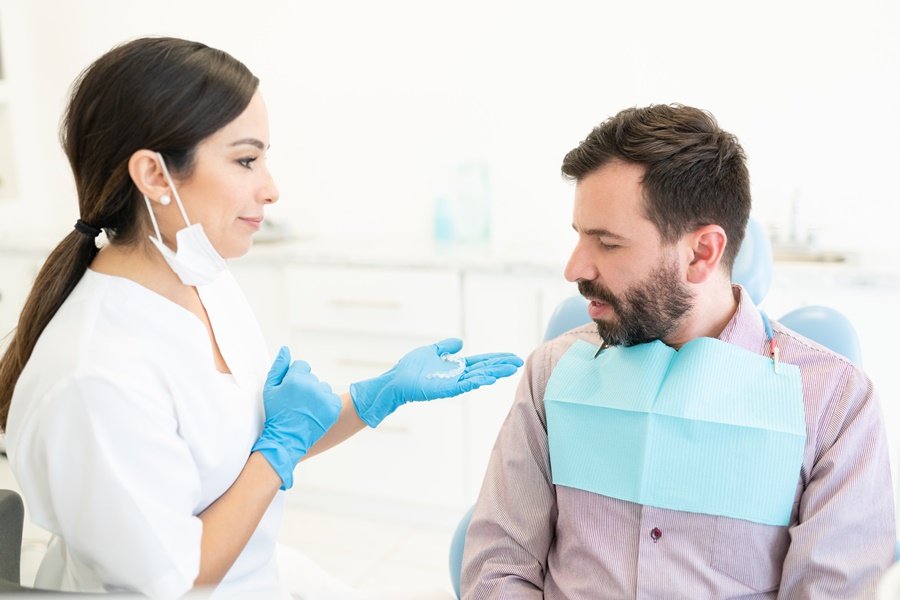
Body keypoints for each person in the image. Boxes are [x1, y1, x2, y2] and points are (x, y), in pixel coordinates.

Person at [0, 36, 523, 599]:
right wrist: (279, 445)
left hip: (254, 574)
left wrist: (375, 397)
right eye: (246, 160)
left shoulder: (205, 281)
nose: (270, 190)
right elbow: (180, 573)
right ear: (154, 176)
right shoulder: (95, 377)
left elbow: (259, 445)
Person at [460, 104, 895, 599]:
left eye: (607, 242)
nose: (575, 267)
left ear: (702, 252)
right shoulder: (552, 373)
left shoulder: (837, 402)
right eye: (580, 237)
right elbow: (498, 567)